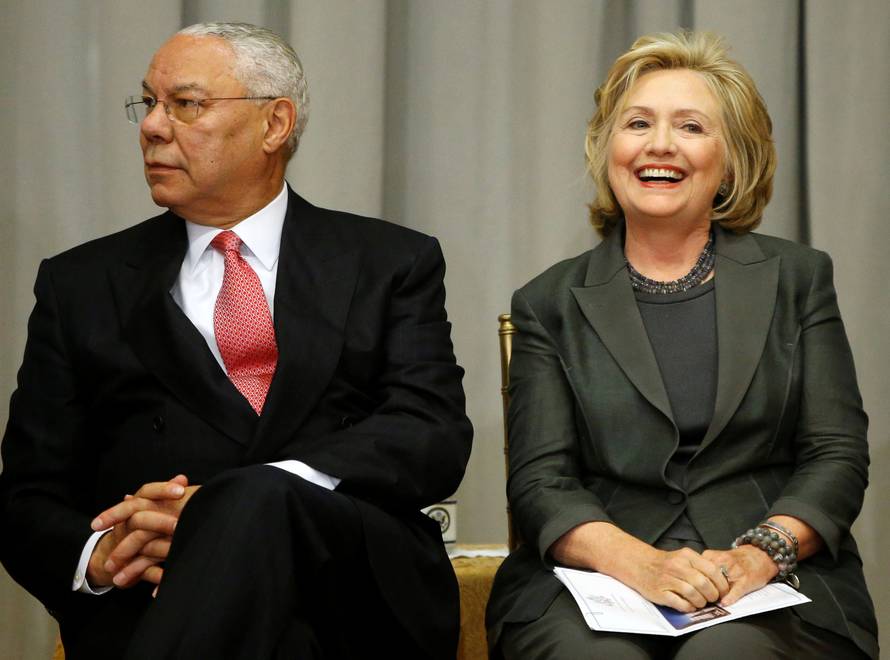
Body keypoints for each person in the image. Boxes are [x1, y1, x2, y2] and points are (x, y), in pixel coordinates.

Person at [0, 22, 472, 660]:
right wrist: (103, 554)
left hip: (353, 592)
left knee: (255, 499)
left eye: (186, 105)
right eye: (149, 103)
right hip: (155, 594)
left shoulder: (389, 262)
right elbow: (28, 493)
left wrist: (236, 505)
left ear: (275, 124)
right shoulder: (80, 285)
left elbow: (430, 434)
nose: (152, 127)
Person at [486, 31, 877, 659]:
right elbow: (540, 481)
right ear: (609, 149)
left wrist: (759, 555)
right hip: (596, 582)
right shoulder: (548, 302)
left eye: (690, 127)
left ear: (731, 159)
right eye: (637, 123)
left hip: (764, 579)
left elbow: (835, 454)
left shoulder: (798, 279)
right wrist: (642, 566)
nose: (659, 145)